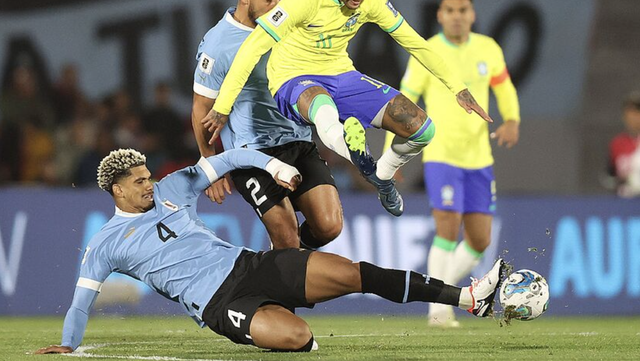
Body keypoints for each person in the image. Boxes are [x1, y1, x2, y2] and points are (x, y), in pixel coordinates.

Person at [35, 147, 505, 354]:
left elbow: (232, 159)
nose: (149, 184)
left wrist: (272, 165)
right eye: (138, 181)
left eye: (148, 175)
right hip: (221, 305)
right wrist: (69, 344)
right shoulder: (104, 245)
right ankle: (293, 334)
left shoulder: (173, 187)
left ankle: (468, 298)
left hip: (252, 266)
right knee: (297, 337)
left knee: (356, 273)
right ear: (116, 191)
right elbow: (82, 301)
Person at [201, 0, 492, 218]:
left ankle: (382, 176)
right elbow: (253, 47)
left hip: (341, 73)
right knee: (323, 107)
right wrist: (223, 105)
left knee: (423, 130)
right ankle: (356, 152)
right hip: (292, 77)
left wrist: (458, 87)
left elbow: (415, 42)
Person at [389, 0, 520, 327]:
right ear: (440, 15)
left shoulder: (487, 48)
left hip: (479, 158)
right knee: (447, 230)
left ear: (472, 14)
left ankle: (447, 295)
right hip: (442, 155)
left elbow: (503, 87)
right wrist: (395, 150)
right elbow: (405, 100)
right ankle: (438, 308)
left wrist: (512, 120)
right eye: (450, 10)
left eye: (463, 10)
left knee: (479, 240)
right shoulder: (428, 50)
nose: (457, 16)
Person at [191, 0, 343, 250]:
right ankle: (288, 268)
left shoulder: (288, 28)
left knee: (329, 227)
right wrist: (211, 165)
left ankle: (287, 265)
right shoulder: (218, 45)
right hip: (252, 154)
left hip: (298, 142)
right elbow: (201, 107)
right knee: (286, 239)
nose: (277, 6)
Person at [608, 91, 640, 198]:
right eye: (629, 112)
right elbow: (610, 175)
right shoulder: (617, 143)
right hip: (624, 203)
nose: (633, 117)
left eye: (637, 112)